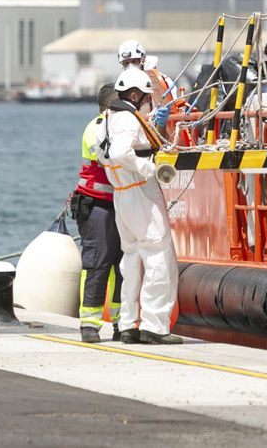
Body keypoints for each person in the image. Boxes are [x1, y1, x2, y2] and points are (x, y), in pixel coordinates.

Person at [96, 67, 181, 345]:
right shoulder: (127, 119)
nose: (148, 102)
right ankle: (155, 325)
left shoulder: (106, 119)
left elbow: (104, 155)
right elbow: (120, 152)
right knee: (158, 256)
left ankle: (129, 323)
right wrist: (148, 168)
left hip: (122, 194)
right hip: (140, 192)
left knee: (131, 259)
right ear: (135, 95)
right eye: (146, 97)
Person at [73, 83, 122, 344]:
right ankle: (89, 324)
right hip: (97, 206)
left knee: (123, 266)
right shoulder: (95, 129)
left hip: (121, 204)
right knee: (97, 263)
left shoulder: (122, 126)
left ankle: (122, 322)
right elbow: (109, 158)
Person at [118, 39, 177, 105]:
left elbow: (173, 107)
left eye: (134, 61)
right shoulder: (123, 84)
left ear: (143, 59)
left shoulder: (162, 81)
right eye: (126, 63)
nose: (131, 66)